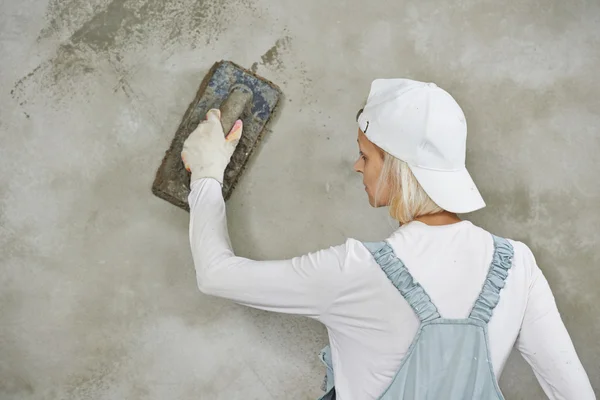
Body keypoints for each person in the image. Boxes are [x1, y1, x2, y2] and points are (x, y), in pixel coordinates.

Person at [180, 79, 595, 399]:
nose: (358, 167)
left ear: (397, 166)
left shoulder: (354, 270)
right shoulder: (516, 264)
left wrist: (206, 174)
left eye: (366, 154)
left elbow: (216, 274)